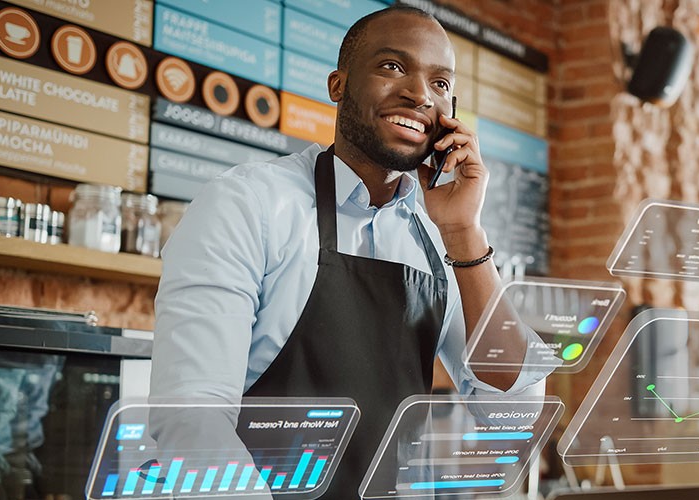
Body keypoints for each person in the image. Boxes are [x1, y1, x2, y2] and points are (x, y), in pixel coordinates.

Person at [150, 5, 547, 497]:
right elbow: (192, 418)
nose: (420, 94)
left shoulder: (441, 236)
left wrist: (465, 231)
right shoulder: (247, 203)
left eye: (440, 84)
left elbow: (515, 410)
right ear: (338, 85)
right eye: (392, 67)